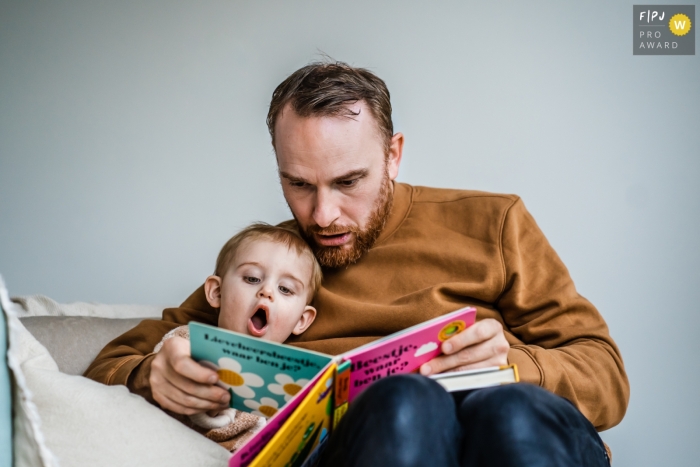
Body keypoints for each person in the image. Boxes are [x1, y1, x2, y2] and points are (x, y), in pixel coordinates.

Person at [85, 61, 629, 466]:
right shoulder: (274, 262)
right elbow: (114, 361)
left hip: (511, 428)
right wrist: (151, 374)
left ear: (393, 155)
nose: (322, 215)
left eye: (348, 182)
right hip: (364, 441)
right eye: (298, 184)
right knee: (403, 403)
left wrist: (512, 366)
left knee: (510, 410)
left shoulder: (496, 222)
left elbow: (605, 372)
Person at [151, 222, 323, 451]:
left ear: (301, 320)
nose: (267, 292)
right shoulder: (188, 343)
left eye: (285, 289)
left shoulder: (295, 376)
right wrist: (208, 405)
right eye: (252, 279)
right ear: (217, 292)